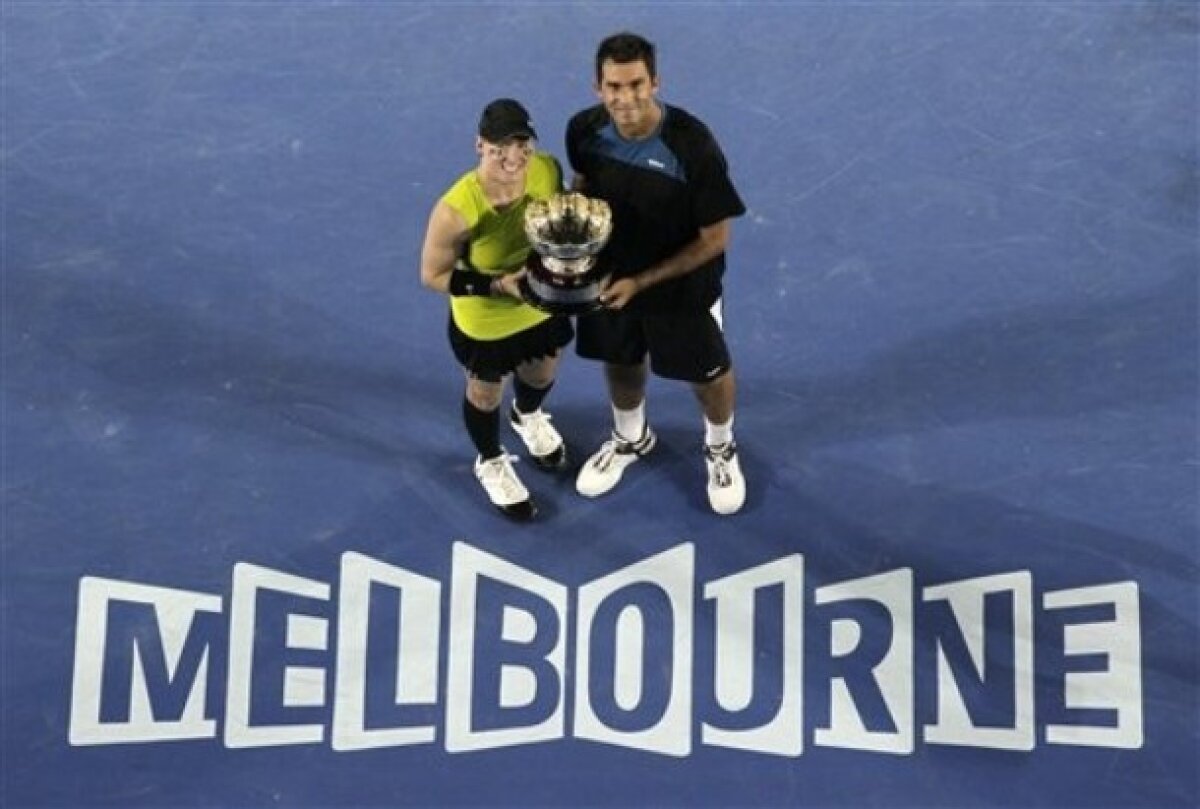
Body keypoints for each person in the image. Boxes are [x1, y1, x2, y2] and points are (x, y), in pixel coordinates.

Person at [566, 32, 748, 515]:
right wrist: (572, 244)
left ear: (655, 82)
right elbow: (582, 187)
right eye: (613, 86)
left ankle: (720, 445)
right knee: (620, 358)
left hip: (680, 284)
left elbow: (714, 239)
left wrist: (642, 283)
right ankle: (630, 438)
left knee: (706, 373)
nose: (625, 98)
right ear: (597, 87)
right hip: (610, 275)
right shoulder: (583, 130)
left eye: (636, 84)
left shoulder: (692, 146)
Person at [420, 98, 573, 520]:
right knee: (485, 393)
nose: (513, 155)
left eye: (522, 142)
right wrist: (497, 284)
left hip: (539, 301)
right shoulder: (456, 209)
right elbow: (432, 275)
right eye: (499, 146)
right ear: (480, 146)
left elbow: (557, 218)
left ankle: (528, 415)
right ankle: (489, 459)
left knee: (543, 371)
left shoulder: (545, 170)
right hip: (485, 316)